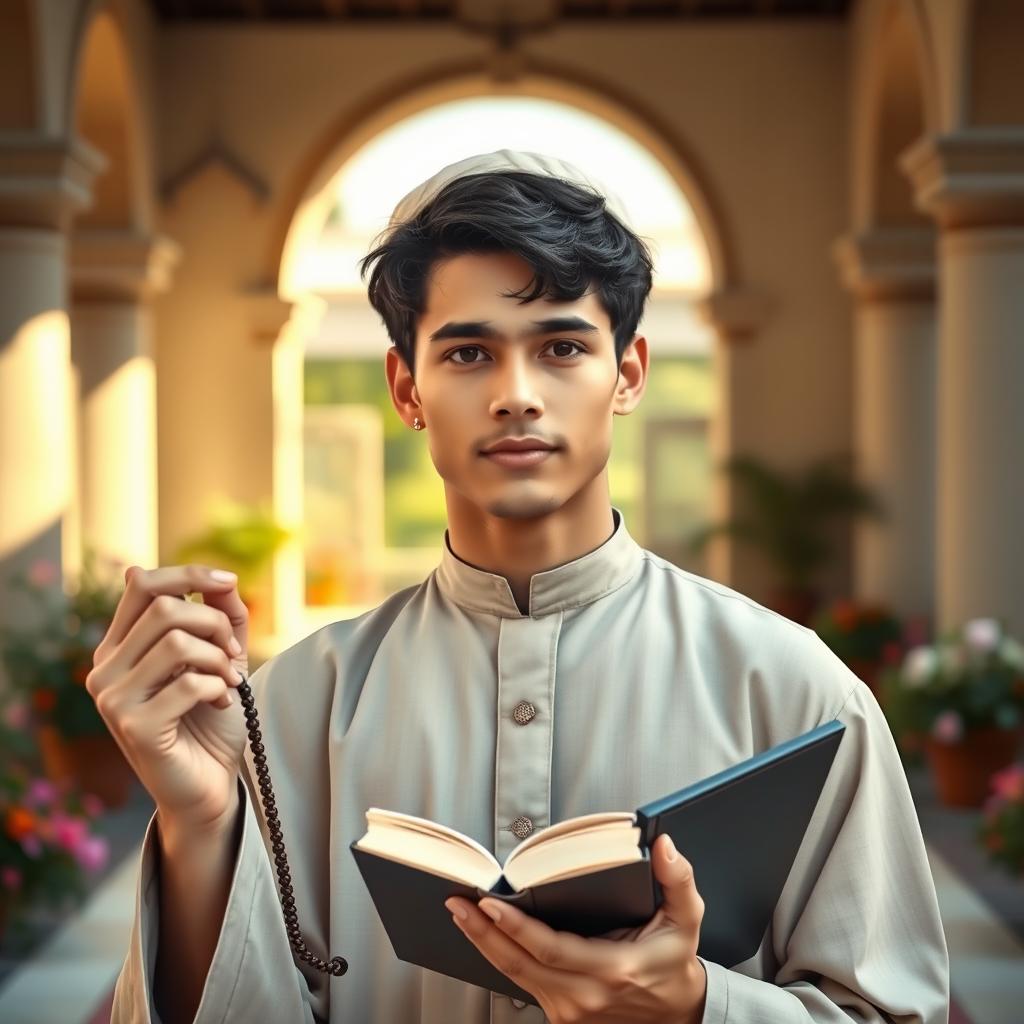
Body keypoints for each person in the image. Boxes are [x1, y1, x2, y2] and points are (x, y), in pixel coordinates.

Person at [96, 150, 950, 1024]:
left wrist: (698, 1007)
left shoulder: (795, 688)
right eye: (468, 352)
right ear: (407, 387)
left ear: (628, 374)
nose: (516, 395)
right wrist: (199, 825)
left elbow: (890, 1008)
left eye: (562, 347)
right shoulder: (292, 707)